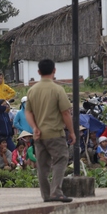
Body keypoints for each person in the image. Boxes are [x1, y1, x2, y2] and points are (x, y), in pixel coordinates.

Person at [25, 58, 76, 203]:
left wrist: (35, 127)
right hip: (55, 133)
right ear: (54, 71)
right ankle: (56, 191)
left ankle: (46, 194)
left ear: (39, 72)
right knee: (61, 159)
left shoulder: (32, 90)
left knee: (42, 165)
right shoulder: (57, 90)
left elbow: (28, 113)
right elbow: (65, 113)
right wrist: (72, 132)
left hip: (38, 134)